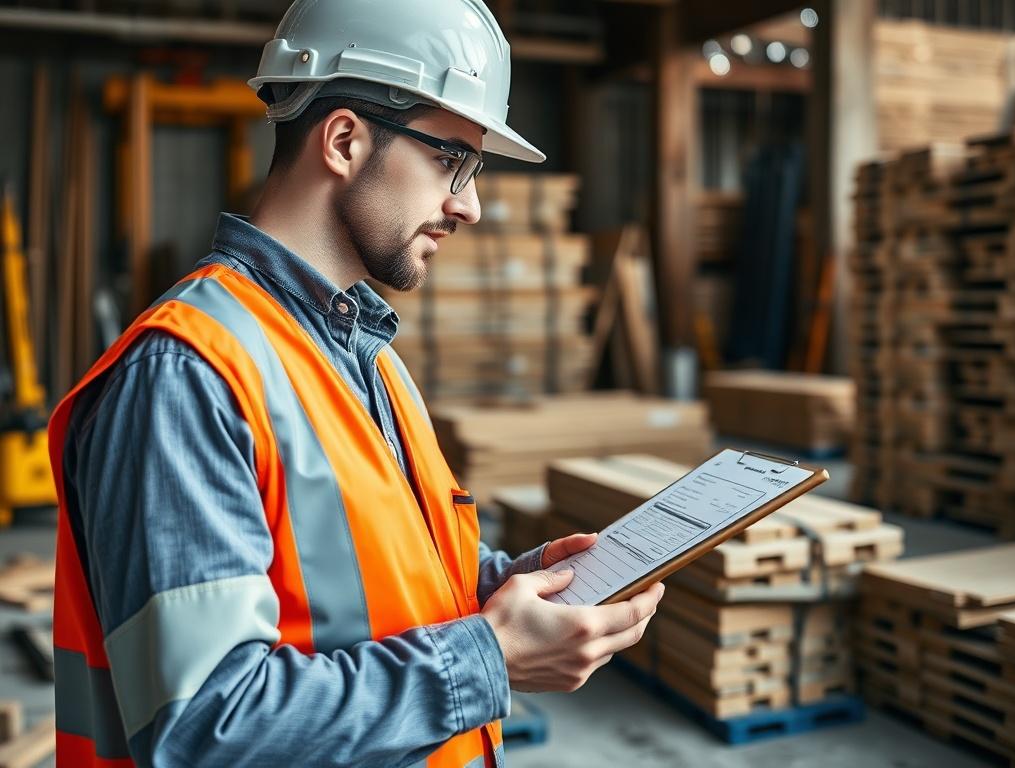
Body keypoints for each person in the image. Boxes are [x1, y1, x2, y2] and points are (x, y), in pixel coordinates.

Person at [49, 1, 664, 766]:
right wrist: (490, 659)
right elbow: (208, 728)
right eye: (451, 160)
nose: (468, 206)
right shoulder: (187, 374)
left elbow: (376, 577)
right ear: (344, 140)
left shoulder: (368, 357)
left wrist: (522, 587)